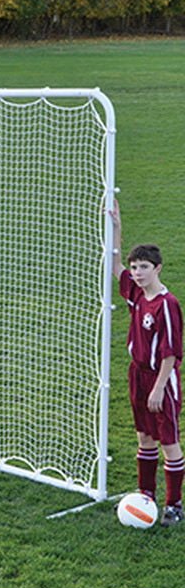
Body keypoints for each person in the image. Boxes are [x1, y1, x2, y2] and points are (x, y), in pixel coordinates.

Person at [111, 199, 184, 526]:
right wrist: (116, 226)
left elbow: (170, 352)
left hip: (160, 379)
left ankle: (174, 505)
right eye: (135, 267)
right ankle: (145, 496)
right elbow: (115, 267)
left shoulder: (167, 304)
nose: (137, 273)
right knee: (144, 437)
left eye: (143, 267)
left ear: (158, 268)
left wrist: (158, 389)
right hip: (136, 375)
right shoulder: (137, 294)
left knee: (168, 440)